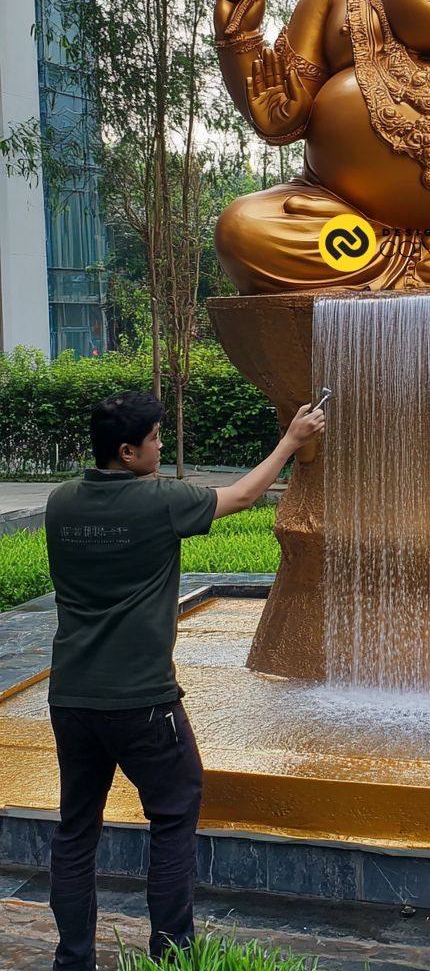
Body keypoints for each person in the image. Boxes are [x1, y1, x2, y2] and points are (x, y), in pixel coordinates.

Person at [45, 390, 324, 971]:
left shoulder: (62, 502)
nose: (161, 443)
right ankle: (171, 953)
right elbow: (245, 495)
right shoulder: (157, 501)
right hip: (144, 700)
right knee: (173, 817)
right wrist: (292, 442)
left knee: (76, 831)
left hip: (71, 697)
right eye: (154, 438)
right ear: (127, 451)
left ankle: (73, 961)